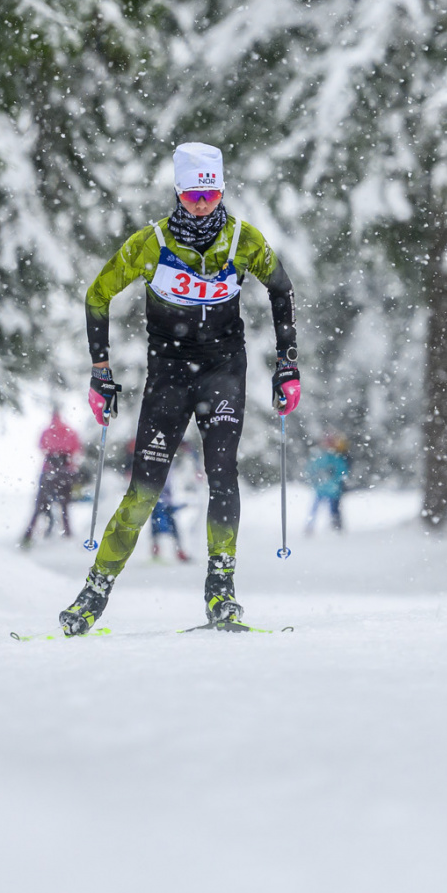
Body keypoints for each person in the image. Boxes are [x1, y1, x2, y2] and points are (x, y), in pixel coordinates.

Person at [58, 143, 300, 635]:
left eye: (210, 194)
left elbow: (281, 289)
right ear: (178, 192)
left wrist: (287, 365)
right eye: (193, 195)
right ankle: (94, 593)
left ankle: (221, 592)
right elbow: (98, 294)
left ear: (222, 191)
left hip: (224, 370)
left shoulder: (243, 240)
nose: (202, 204)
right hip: (169, 375)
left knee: (222, 473)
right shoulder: (151, 243)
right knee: (144, 491)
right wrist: (100, 370)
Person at [21, 408, 81, 546]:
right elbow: (76, 448)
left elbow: (41, 446)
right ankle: (68, 535)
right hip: (65, 472)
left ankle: (28, 535)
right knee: (64, 507)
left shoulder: (47, 431)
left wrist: (53, 454)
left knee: (40, 506)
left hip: (49, 472)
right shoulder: (70, 432)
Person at [306, 433, 350, 534]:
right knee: (316, 509)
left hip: (332, 489)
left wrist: (336, 481)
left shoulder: (334, 457)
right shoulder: (320, 456)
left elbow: (342, 471)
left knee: (333, 509)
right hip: (323, 488)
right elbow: (311, 470)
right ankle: (310, 527)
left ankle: (336, 527)